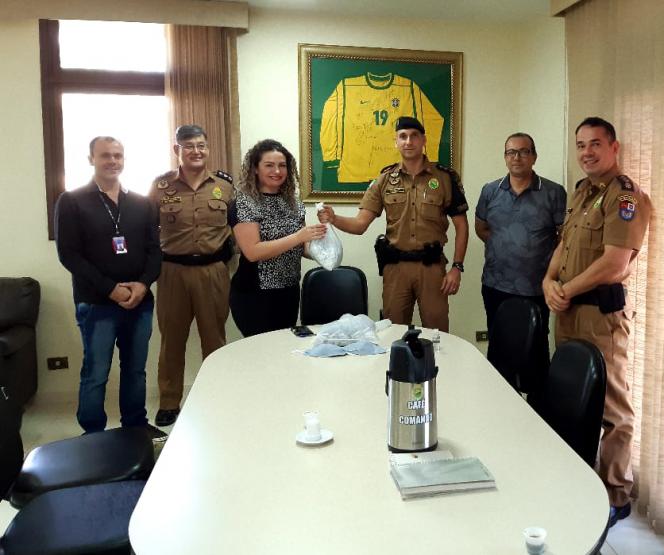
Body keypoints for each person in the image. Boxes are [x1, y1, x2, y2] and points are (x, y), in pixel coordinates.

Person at [542, 116, 652, 527]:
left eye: (595, 144)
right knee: (571, 399)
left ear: (614, 148)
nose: (586, 152)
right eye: (580, 145)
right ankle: (577, 481)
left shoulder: (625, 196)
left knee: (611, 406)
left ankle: (615, 493)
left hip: (599, 316)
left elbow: (615, 262)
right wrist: (548, 280)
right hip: (569, 311)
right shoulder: (583, 193)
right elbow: (565, 246)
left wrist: (566, 289)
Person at [54, 136, 165, 439]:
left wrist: (142, 285)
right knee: (96, 373)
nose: (112, 161)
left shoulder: (142, 203)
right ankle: (92, 434)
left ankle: (135, 426)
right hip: (97, 303)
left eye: (118, 155)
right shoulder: (72, 201)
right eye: (105, 155)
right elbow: (69, 255)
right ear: (91, 159)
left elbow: (155, 251)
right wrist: (111, 289)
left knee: (135, 369)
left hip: (139, 302)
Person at [317, 116, 469, 332]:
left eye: (414, 136)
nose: (408, 141)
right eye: (403, 136)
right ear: (396, 142)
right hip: (396, 270)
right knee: (392, 331)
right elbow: (360, 224)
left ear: (424, 140)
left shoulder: (445, 178)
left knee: (437, 333)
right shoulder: (385, 179)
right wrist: (334, 218)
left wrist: (457, 267)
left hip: (431, 268)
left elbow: (462, 226)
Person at [148, 124, 234, 427]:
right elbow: (147, 230)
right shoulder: (160, 187)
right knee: (172, 341)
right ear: (177, 150)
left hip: (213, 272)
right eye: (188, 146)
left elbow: (236, 232)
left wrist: (227, 268)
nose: (196, 151)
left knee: (215, 340)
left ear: (208, 148)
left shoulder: (224, 187)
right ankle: (169, 401)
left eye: (201, 145)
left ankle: (217, 395)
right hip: (172, 272)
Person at [475, 132, 566, 391]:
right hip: (496, 284)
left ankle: (535, 406)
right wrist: (507, 245)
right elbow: (481, 228)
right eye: (511, 152)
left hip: (536, 287)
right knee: (500, 346)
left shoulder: (553, 192)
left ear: (534, 156)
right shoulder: (490, 190)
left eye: (524, 151)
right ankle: (499, 398)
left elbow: (564, 237)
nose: (517, 157)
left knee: (535, 352)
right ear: (505, 157)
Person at [228, 139, 326, 337]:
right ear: (255, 169)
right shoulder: (244, 202)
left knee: (282, 348)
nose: (277, 171)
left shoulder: (293, 202)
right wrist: (298, 236)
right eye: (269, 165)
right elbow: (253, 252)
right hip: (255, 294)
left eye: (282, 165)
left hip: (288, 290)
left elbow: (304, 248)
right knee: (261, 351)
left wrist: (325, 239)